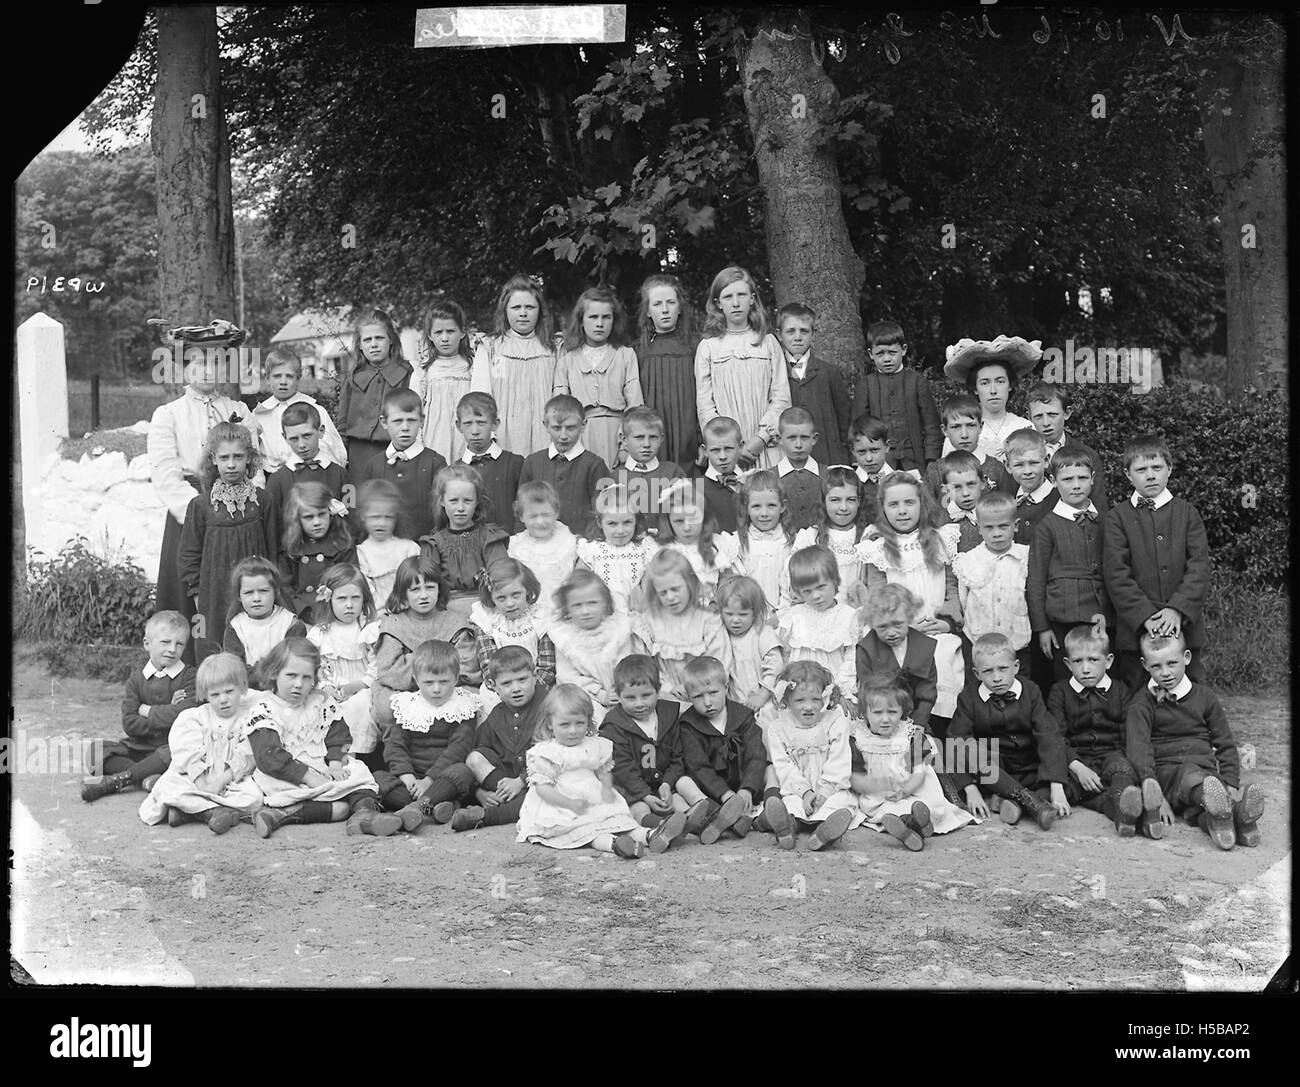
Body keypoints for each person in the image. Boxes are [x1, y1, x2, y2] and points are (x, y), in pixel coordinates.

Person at [246, 638, 398, 838]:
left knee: (358, 775)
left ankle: (364, 815)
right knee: (333, 807)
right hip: (286, 772)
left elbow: (339, 734)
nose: (298, 684)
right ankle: (280, 814)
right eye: (291, 676)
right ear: (274, 673)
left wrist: (335, 762)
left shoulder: (320, 702)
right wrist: (307, 776)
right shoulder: (265, 709)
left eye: (306, 677)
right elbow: (268, 756)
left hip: (324, 766)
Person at [1126, 630, 1262, 849]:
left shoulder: (1205, 696)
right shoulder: (1141, 703)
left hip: (1205, 772)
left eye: (1172, 663)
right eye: (1156, 666)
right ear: (1144, 664)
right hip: (1168, 775)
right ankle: (1228, 810)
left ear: (1186, 658)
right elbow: (1138, 749)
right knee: (1193, 777)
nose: (1165, 673)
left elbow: (1224, 742)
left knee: (1202, 803)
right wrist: (1155, 795)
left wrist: (1230, 782)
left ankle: (1230, 822)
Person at [515, 684, 686, 857]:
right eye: (565, 725)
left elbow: (602, 774)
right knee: (591, 831)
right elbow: (543, 788)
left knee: (620, 822)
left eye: (580, 723)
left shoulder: (595, 745)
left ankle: (650, 835)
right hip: (562, 803)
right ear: (550, 724)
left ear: (588, 721)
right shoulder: (548, 752)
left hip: (592, 797)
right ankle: (616, 845)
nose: (573, 731)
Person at [147, 350, 249, 629]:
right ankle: (187, 663)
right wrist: (200, 512)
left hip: (236, 510)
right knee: (189, 586)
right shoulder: (169, 414)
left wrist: (243, 506)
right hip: (190, 512)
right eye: (198, 364)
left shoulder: (238, 410)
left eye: (215, 364)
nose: (207, 371)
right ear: (184, 369)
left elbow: (254, 465)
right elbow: (166, 475)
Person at [1103, 434, 1211, 689]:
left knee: (1191, 694)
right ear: (1128, 475)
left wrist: (1176, 610)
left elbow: (1199, 567)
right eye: (1141, 469)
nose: (1150, 475)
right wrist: (1146, 617)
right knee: (1138, 697)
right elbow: (1117, 573)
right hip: (1137, 630)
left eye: (1157, 468)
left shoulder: (1187, 513)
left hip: (1183, 627)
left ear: (1169, 469)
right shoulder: (1117, 518)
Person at [855, 473, 965, 719]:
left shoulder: (940, 539)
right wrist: (904, 626)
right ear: (883, 508)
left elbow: (951, 586)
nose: (902, 511)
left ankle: (942, 735)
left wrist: (948, 621)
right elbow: (877, 596)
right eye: (893, 505)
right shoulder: (878, 549)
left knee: (943, 666)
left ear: (922, 503)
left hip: (938, 629)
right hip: (899, 633)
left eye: (909, 503)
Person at [948, 633, 1068, 830]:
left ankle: (1010, 802)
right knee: (971, 750)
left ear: (1016, 667)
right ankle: (1029, 801)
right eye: (988, 671)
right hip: (991, 770)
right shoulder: (969, 697)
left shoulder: (1030, 691)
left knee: (1062, 777)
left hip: (1026, 765)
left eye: (1003, 669)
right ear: (977, 674)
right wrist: (969, 789)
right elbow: (957, 741)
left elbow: (1048, 735)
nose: (997, 678)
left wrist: (1056, 784)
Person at [138, 652, 262, 833]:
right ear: (205, 694)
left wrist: (220, 783)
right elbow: (188, 753)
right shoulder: (195, 717)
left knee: (254, 798)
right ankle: (213, 812)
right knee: (167, 788)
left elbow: (247, 755)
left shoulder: (249, 717)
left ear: (242, 688)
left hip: (232, 779)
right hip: (197, 778)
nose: (223, 699)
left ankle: (187, 812)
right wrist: (203, 785)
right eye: (215, 694)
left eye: (229, 691)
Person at [1045, 619, 1147, 837]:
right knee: (1055, 790)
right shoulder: (1060, 692)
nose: (1085, 668)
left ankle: (1125, 808)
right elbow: (1056, 736)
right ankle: (1124, 814)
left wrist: (1123, 760)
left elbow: (1127, 734)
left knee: (1122, 772)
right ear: (1067, 663)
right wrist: (1076, 766)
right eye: (1077, 661)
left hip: (1111, 756)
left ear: (1108, 661)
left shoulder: (1120, 691)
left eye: (1093, 660)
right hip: (1076, 761)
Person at [81, 610, 196, 803]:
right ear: (147, 644)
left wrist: (147, 710)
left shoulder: (190, 676)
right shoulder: (136, 679)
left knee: (181, 754)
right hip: (138, 746)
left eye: (180, 644)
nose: (172, 649)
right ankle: (146, 777)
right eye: (165, 642)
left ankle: (120, 780)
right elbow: (129, 723)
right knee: (96, 751)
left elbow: (186, 715)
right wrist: (168, 710)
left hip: (170, 747)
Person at [178, 420, 272, 651]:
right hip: (215, 594)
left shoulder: (262, 500)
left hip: (256, 593)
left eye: (238, 457)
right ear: (213, 459)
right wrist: (200, 597)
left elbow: (273, 548)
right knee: (217, 651)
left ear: (249, 457)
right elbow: (189, 556)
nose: (231, 465)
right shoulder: (201, 505)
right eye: (224, 458)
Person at [850, 680, 974, 851]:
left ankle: (915, 823)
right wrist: (875, 786)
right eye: (878, 713)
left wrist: (906, 790)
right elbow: (855, 776)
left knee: (933, 805)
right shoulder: (860, 738)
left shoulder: (910, 734)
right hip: (880, 794)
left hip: (914, 789)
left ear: (902, 711)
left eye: (892, 712)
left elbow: (919, 771)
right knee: (888, 810)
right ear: (865, 713)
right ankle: (913, 824)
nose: (885, 719)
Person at [694, 265, 791, 471]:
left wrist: (760, 439)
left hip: (766, 446)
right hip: (726, 451)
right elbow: (705, 405)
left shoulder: (768, 342)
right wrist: (727, 444)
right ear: (718, 303)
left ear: (752, 299)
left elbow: (781, 397)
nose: (736, 303)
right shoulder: (709, 347)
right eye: (728, 297)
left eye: (742, 295)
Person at [1027, 446, 1110, 682]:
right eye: (1067, 479)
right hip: (1064, 614)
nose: (1076, 485)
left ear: (1093, 479)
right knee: (1067, 676)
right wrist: (1041, 627)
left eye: (1083, 478)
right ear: (1053, 481)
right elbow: (1036, 579)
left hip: (1102, 612)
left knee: (1102, 670)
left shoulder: (1107, 520)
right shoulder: (1047, 526)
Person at [377, 640, 479, 830]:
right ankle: (436, 806)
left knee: (463, 772)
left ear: (456, 678)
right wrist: (408, 778)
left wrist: (429, 780)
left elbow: (459, 748)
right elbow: (395, 745)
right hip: (413, 778)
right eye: (429, 682)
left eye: (444, 682)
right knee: (378, 778)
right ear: (416, 679)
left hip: (443, 778)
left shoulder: (464, 706)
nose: (436, 689)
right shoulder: (406, 705)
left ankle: (416, 807)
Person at [764, 660, 860, 850]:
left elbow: (839, 761)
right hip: (798, 788)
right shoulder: (778, 729)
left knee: (840, 804)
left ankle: (824, 833)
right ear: (786, 701)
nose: (808, 706)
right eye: (799, 700)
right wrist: (806, 792)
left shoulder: (835, 721)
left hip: (830, 788)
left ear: (826, 697)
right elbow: (783, 766)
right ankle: (787, 828)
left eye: (815, 700)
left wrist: (824, 792)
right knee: (791, 804)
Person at [370, 555, 465, 741]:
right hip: (405, 691)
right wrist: (439, 663)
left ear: (439, 589)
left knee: (471, 701)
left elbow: (467, 668)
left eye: (430, 587)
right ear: (403, 593)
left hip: (446, 688)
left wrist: (412, 660)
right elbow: (390, 673)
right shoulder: (393, 624)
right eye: (415, 589)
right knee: (385, 708)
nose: (423, 595)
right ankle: (400, 758)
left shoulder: (456, 621)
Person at [677, 656, 768, 844]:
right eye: (698, 696)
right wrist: (725, 795)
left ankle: (769, 811)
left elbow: (755, 756)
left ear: (726, 688)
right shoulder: (689, 724)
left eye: (713, 693)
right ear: (688, 697)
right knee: (682, 782)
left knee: (770, 769)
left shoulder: (742, 716)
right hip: (712, 790)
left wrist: (747, 789)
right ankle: (715, 814)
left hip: (744, 785)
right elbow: (699, 767)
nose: (707, 702)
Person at [454, 645, 546, 832]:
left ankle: (487, 817)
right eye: (506, 684)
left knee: (540, 798)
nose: (516, 689)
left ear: (535, 676)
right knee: (475, 758)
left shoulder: (548, 704)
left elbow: (555, 751)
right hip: (506, 781)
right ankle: (500, 800)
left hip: (541, 778)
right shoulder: (497, 714)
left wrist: (521, 780)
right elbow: (478, 753)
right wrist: (480, 793)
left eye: (522, 679)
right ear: (493, 686)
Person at [553, 286, 643, 469]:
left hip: (616, 432)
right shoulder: (567, 360)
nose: (600, 323)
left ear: (614, 320)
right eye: (593, 317)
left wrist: (626, 444)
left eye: (606, 317)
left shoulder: (625, 355)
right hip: (580, 433)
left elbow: (635, 403)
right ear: (581, 321)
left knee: (615, 488)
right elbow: (560, 409)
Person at [305, 563, 383, 773]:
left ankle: (355, 756)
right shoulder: (320, 633)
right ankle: (333, 760)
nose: (349, 605)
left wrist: (356, 686)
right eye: (342, 598)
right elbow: (314, 668)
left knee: (359, 704)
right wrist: (325, 686)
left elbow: (376, 667)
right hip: (329, 690)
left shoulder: (368, 629)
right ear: (329, 599)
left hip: (362, 688)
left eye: (355, 598)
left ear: (364, 599)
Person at [599, 654, 690, 828]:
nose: (639, 704)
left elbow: (678, 757)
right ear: (618, 695)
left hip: (663, 782)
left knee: (679, 795)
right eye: (630, 698)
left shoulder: (668, 716)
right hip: (631, 786)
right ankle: (658, 826)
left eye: (646, 695)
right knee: (637, 806)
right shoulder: (614, 726)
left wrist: (667, 783)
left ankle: (692, 820)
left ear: (659, 690)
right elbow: (623, 769)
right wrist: (645, 795)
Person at [470, 273, 557, 454]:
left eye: (530, 307)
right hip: (502, 437)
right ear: (505, 310)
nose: (523, 313)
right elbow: (481, 396)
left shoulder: (553, 348)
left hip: (545, 436)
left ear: (540, 310)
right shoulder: (490, 347)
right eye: (516, 307)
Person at [634, 549, 734, 703]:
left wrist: (693, 686)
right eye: (663, 593)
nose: (670, 597)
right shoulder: (649, 621)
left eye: (675, 589)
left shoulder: (707, 620)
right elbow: (643, 664)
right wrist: (666, 688)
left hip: (704, 694)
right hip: (664, 694)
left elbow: (720, 661)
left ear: (689, 584)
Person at [418, 463, 511, 622]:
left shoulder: (489, 538)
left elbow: (503, 577)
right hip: (447, 613)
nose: (460, 508)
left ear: (477, 502)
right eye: (453, 500)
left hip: (488, 609)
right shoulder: (434, 543)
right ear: (442, 501)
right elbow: (426, 585)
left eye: (467, 500)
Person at [952, 492, 1032, 674]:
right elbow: (963, 599)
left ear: (1016, 525)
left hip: (1016, 642)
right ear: (979, 528)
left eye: (1003, 526)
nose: (997, 533)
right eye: (989, 527)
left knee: (1020, 685)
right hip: (977, 641)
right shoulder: (969, 560)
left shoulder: (1026, 557)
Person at [548, 568, 643, 721]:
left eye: (592, 603)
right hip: (588, 697)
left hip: (623, 692)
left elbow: (628, 663)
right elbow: (568, 677)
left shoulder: (618, 630)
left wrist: (620, 690)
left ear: (605, 604)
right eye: (577, 605)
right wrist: (599, 694)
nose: (585, 611)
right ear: (567, 609)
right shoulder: (565, 639)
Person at [850, 319, 942, 471]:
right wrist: (857, 461)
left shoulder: (917, 381)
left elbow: (931, 424)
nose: (886, 359)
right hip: (878, 463)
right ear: (870, 354)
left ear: (904, 350)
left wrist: (931, 459)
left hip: (915, 460)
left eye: (892, 352)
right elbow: (857, 427)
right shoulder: (865, 385)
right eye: (880, 353)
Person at [263, 401, 349, 563]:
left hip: (335, 559)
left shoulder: (341, 475)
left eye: (307, 436)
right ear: (284, 438)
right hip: (294, 563)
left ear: (321, 431)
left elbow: (351, 518)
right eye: (294, 439)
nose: (301, 445)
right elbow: (272, 529)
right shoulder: (277, 480)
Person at [358, 388, 448, 543]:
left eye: (411, 420)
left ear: (422, 421)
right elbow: (364, 510)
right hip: (385, 548)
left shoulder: (435, 462)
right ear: (384, 422)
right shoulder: (374, 465)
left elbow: (443, 510)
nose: (405, 427)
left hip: (427, 547)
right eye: (398, 421)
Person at [338, 308, 413, 486]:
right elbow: (342, 421)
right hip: (358, 455)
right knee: (361, 503)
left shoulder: (407, 373)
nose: (373, 344)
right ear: (360, 346)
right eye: (367, 340)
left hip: (395, 450)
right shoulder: (353, 377)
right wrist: (342, 454)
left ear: (391, 341)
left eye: (379, 338)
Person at [634, 273, 700, 472]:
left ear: (679, 307)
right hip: (653, 434)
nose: (664, 310)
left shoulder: (696, 346)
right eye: (657, 304)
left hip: (689, 433)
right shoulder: (638, 351)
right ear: (647, 311)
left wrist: (702, 439)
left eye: (671, 302)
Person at [247, 347, 347, 477]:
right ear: (267, 378)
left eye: (289, 376)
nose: (283, 382)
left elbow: (335, 451)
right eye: (277, 376)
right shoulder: (259, 414)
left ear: (298, 378)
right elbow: (255, 454)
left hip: (310, 473)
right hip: (273, 477)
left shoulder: (314, 410)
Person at [720, 469, 811, 612]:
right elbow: (732, 589)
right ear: (746, 508)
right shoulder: (736, 544)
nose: (764, 513)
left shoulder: (793, 543)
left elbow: (794, 588)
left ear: (783, 506)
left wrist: (781, 617)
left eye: (771, 506)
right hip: (748, 616)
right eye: (756, 506)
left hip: (784, 616)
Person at [516, 394, 610, 532]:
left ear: (583, 425)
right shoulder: (532, 462)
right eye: (556, 428)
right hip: (539, 543)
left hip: (581, 544)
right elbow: (522, 507)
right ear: (546, 425)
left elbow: (603, 512)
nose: (564, 436)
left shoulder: (594, 465)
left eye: (571, 428)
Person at [776, 546, 863, 694]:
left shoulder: (848, 616)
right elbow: (783, 652)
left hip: (834, 686)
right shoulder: (794, 615)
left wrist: (841, 689)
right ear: (798, 592)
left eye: (821, 587)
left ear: (835, 581)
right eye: (807, 591)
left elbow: (851, 657)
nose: (816, 596)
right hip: (800, 690)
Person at [941, 335, 1039, 464]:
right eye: (985, 383)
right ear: (975, 388)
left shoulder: (1024, 427)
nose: (993, 390)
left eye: (1000, 381)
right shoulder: (960, 430)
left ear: (1010, 385)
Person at [855, 584, 938, 736]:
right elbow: (867, 693)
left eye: (898, 624)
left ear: (909, 617)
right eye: (883, 627)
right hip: (879, 722)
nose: (891, 632)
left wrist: (919, 723)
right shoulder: (866, 650)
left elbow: (928, 690)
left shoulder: (923, 646)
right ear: (872, 624)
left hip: (916, 721)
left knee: (923, 754)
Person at [777, 302, 849, 467]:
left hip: (826, 456)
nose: (797, 337)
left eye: (804, 331)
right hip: (786, 458)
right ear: (780, 335)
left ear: (813, 334)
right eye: (790, 331)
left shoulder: (829, 372)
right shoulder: (774, 374)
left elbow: (845, 420)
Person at [470, 557, 557, 690]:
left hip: (536, 685)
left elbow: (547, 667)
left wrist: (529, 690)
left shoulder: (540, 619)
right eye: (501, 598)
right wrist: (506, 690)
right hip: (501, 688)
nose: (510, 603)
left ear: (527, 590)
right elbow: (488, 666)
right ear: (491, 598)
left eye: (516, 595)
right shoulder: (488, 620)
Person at [657, 479, 742, 609]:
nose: (687, 527)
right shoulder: (665, 549)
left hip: (710, 612)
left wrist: (719, 601)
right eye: (679, 521)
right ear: (668, 520)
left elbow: (728, 580)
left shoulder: (717, 545)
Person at [1024, 380, 1108, 510]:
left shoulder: (1087, 454)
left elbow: (1098, 507)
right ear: (1029, 417)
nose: (1046, 422)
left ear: (1067, 413)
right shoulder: (1023, 456)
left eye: (1052, 415)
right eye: (1038, 416)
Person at [575, 483, 657, 615]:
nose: (620, 530)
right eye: (612, 524)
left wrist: (644, 598)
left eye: (627, 522)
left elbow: (650, 581)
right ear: (599, 522)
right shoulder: (590, 549)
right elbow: (578, 582)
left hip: (636, 614)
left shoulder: (644, 548)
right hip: (602, 616)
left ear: (636, 519)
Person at [716, 575, 784, 733]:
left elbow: (776, 668)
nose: (736, 620)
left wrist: (762, 695)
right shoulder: (722, 636)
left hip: (764, 701)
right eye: (729, 614)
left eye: (743, 614)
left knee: (764, 736)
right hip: (735, 704)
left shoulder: (762, 633)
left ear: (755, 612)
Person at [278, 482, 356, 619]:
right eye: (309, 517)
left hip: (335, 613)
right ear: (297, 519)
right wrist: (301, 613)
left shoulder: (342, 544)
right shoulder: (291, 547)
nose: (317, 522)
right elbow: (285, 588)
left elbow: (350, 582)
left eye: (322, 515)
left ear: (330, 513)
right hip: (300, 614)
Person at [453, 391, 525, 534]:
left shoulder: (515, 463)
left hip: (509, 546)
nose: (475, 431)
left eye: (481, 423)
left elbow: (525, 508)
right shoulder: (454, 470)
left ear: (495, 424)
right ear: (458, 426)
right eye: (468, 423)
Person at [413, 297, 473, 464]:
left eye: (450, 331)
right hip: (436, 437)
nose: (444, 338)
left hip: (466, 437)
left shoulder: (472, 368)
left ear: (462, 332)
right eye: (438, 332)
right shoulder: (423, 372)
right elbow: (414, 411)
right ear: (430, 336)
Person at [508, 481, 578, 624]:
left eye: (546, 515)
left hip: (563, 615)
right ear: (521, 517)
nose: (540, 522)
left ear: (556, 512)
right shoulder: (517, 546)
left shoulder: (569, 542)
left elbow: (578, 580)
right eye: (533, 516)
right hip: (529, 617)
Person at [221, 557, 307, 673]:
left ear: (276, 592)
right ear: (238, 596)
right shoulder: (236, 627)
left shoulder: (290, 624)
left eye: (263, 591)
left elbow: (291, 665)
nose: (256, 598)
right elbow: (236, 669)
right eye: (248, 593)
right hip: (247, 688)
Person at [926, 395, 1016, 500]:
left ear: (981, 426)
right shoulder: (935, 471)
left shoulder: (998, 470)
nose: (964, 435)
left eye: (971, 425)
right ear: (945, 430)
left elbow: (1010, 508)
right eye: (956, 427)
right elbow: (927, 511)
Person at [354, 479, 421, 614]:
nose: (381, 523)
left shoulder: (409, 548)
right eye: (375, 517)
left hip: (411, 613)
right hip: (377, 616)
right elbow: (367, 592)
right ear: (363, 516)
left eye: (388, 517)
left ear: (396, 517)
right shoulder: (361, 552)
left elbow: (418, 584)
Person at [846, 414, 922, 525]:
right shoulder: (850, 484)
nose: (869, 458)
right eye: (862, 452)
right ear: (853, 450)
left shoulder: (901, 480)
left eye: (874, 450)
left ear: (887, 446)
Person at [814, 465, 868, 604]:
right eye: (835, 500)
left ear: (859, 501)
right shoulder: (811, 537)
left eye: (850, 500)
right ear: (824, 501)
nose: (843, 507)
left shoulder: (868, 536)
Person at [610, 405, 686, 490]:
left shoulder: (674, 473)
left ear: (661, 439)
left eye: (653, 437)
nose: (647, 444)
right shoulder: (615, 479)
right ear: (624, 440)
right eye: (639, 437)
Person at [773, 406, 824, 532]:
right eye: (791, 438)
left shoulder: (828, 475)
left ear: (814, 439)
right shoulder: (770, 478)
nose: (798, 445)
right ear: (779, 439)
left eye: (804, 437)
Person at [1004, 428, 1055, 546]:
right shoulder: (1007, 501)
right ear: (1008, 466)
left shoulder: (1059, 500)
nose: (1027, 471)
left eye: (1033, 463)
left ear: (1046, 461)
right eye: (1019, 465)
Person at [933, 450, 984, 553]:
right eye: (957, 487)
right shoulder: (939, 521)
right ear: (946, 489)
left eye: (971, 484)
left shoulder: (993, 516)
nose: (965, 493)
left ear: (983, 483)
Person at [699, 416, 745, 532]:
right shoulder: (697, 488)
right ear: (705, 451)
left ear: (741, 447)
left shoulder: (753, 481)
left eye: (729, 448)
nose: (723, 457)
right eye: (715, 450)